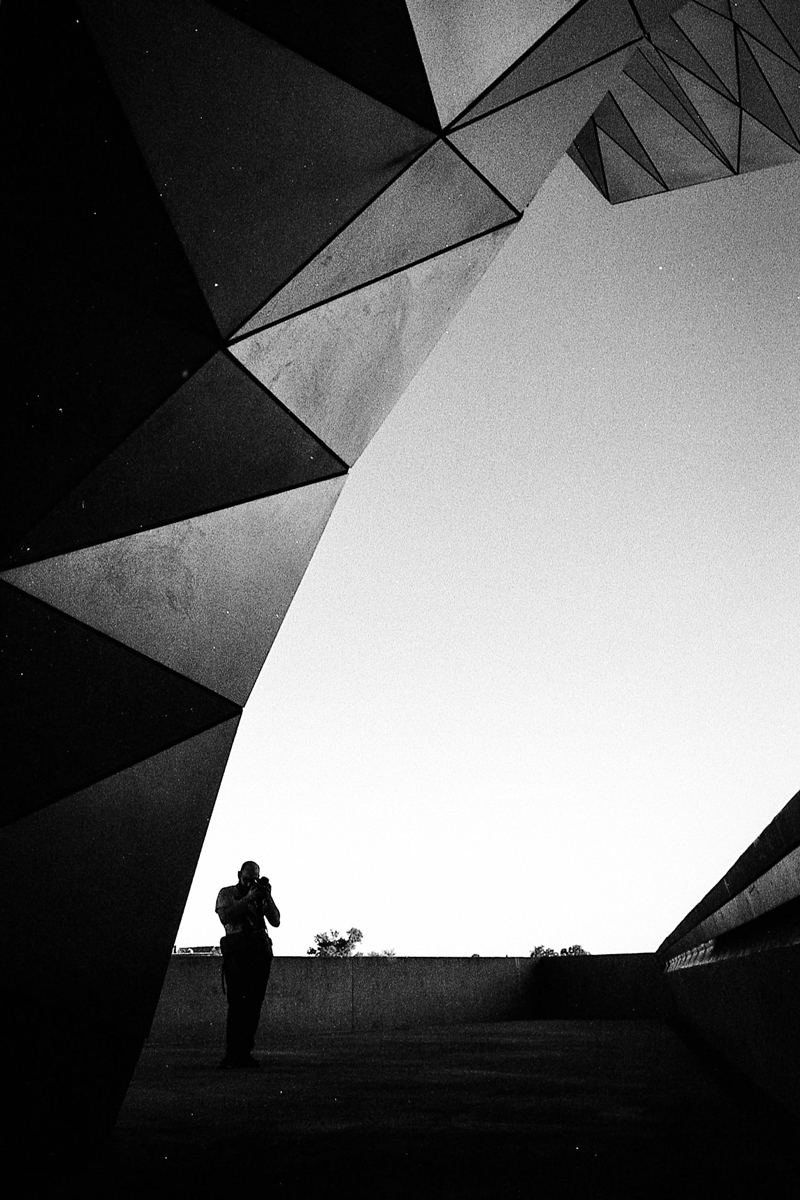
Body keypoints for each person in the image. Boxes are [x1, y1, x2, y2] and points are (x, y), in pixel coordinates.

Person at [215, 860, 280, 1068]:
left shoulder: (259, 895)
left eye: (254, 878)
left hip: (258, 953)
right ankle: (233, 1053)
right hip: (237, 953)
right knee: (237, 1004)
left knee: (254, 1005)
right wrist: (248, 899)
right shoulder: (227, 894)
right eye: (246, 878)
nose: (250, 882)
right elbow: (225, 917)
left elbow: (276, 921)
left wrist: (266, 896)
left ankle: (245, 1052)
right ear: (238, 875)